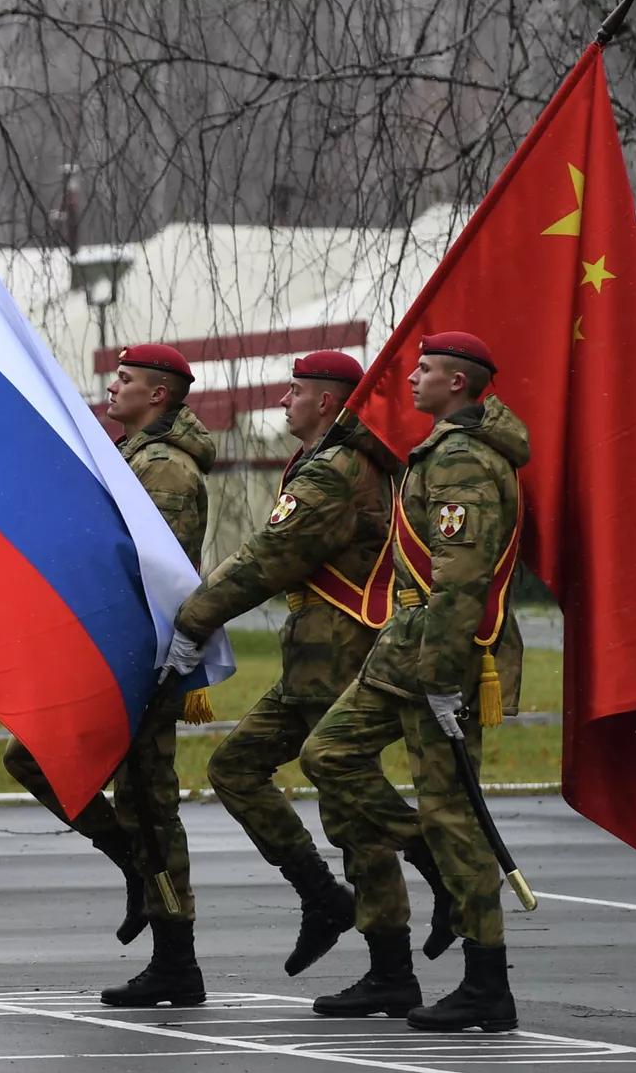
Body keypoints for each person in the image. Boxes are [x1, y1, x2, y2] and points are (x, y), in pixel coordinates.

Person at [297, 331, 528, 1031]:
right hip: (403, 652)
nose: (413, 379)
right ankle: (422, 847)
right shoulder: (439, 452)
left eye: (425, 370)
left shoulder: (461, 461)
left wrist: (440, 676)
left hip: (438, 661)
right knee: (327, 754)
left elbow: (461, 580)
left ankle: (487, 984)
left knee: (454, 813)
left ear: (458, 383)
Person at [169, 351, 412, 979]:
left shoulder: (335, 469)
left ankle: (398, 948)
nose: (284, 401)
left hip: (337, 652)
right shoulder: (326, 461)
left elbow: (268, 557)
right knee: (237, 768)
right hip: (314, 652)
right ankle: (325, 898)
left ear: (327, 402)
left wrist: (194, 620)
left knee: (349, 810)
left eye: (296, 390)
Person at [2, 342, 216, 1008]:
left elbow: (155, 570)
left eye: (124, 379)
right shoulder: (132, 457)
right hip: (109, 649)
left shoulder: (167, 471)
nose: (111, 387)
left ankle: (176, 961)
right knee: (34, 759)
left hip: (140, 656)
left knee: (151, 805)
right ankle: (132, 865)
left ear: (158, 394)